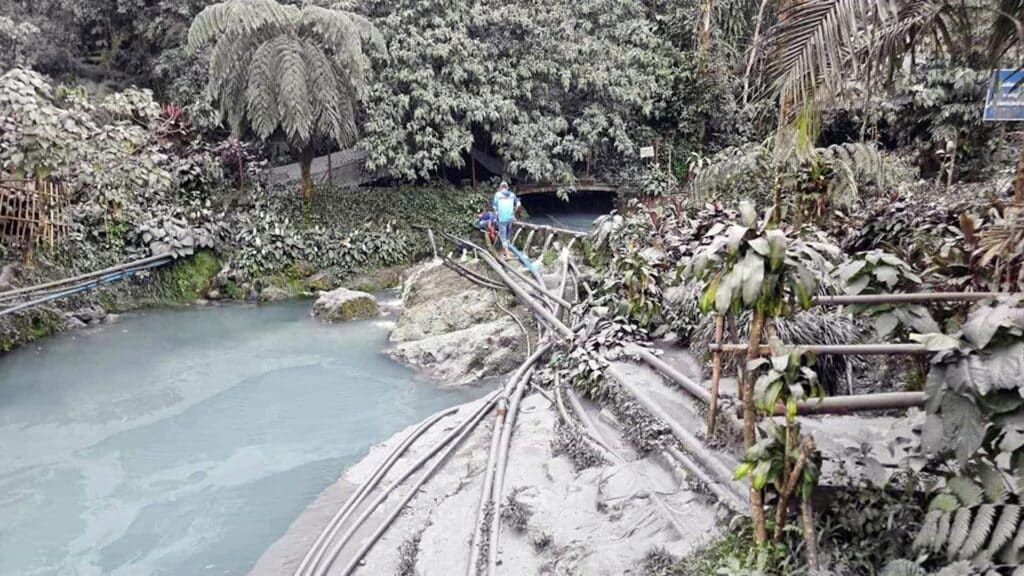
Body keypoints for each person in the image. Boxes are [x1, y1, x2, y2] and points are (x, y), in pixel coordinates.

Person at [492, 181, 520, 259]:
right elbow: (518, 204)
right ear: (507, 188)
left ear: (500, 188)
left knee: (503, 236)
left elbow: (495, 208)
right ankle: (506, 252)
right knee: (508, 235)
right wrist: (514, 213)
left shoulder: (497, 195)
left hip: (502, 219)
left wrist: (495, 216)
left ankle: (507, 255)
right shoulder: (512, 195)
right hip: (510, 218)